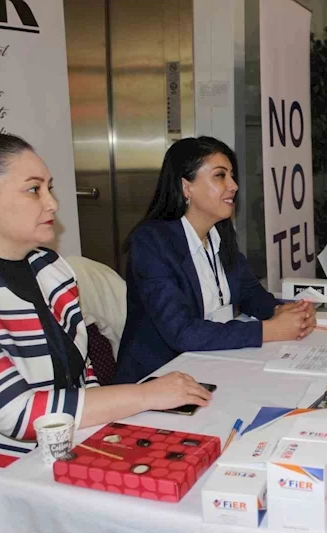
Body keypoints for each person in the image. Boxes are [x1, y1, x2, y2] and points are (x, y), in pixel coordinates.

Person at [0, 134, 213, 531]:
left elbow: (82, 375)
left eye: (49, 188)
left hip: (53, 478)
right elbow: (19, 414)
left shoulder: (51, 270)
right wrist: (146, 394)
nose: (51, 203)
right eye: (34, 190)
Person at [115, 137, 316, 384]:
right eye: (220, 176)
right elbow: (182, 332)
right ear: (186, 187)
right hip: (157, 378)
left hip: (211, 363)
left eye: (232, 176)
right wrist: (269, 330)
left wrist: (283, 312)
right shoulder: (151, 243)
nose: (233, 185)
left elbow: (249, 292)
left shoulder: (218, 232)